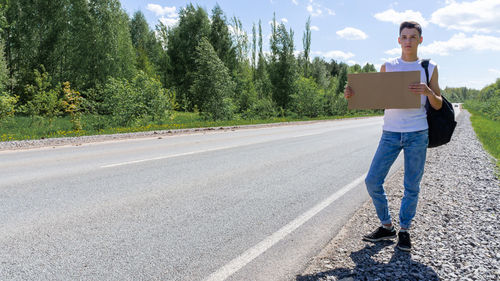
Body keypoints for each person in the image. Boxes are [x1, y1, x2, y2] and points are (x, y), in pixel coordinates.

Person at [344, 21, 442, 252]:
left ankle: (404, 230)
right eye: (404, 37)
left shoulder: (429, 67)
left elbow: (438, 105)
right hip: (390, 133)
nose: (408, 41)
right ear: (399, 40)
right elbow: (373, 99)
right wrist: (352, 95)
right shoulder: (388, 66)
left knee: (411, 186)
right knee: (372, 180)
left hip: (417, 133)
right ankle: (386, 226)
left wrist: (428, 92)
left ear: (420, 40)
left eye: (413, 36)